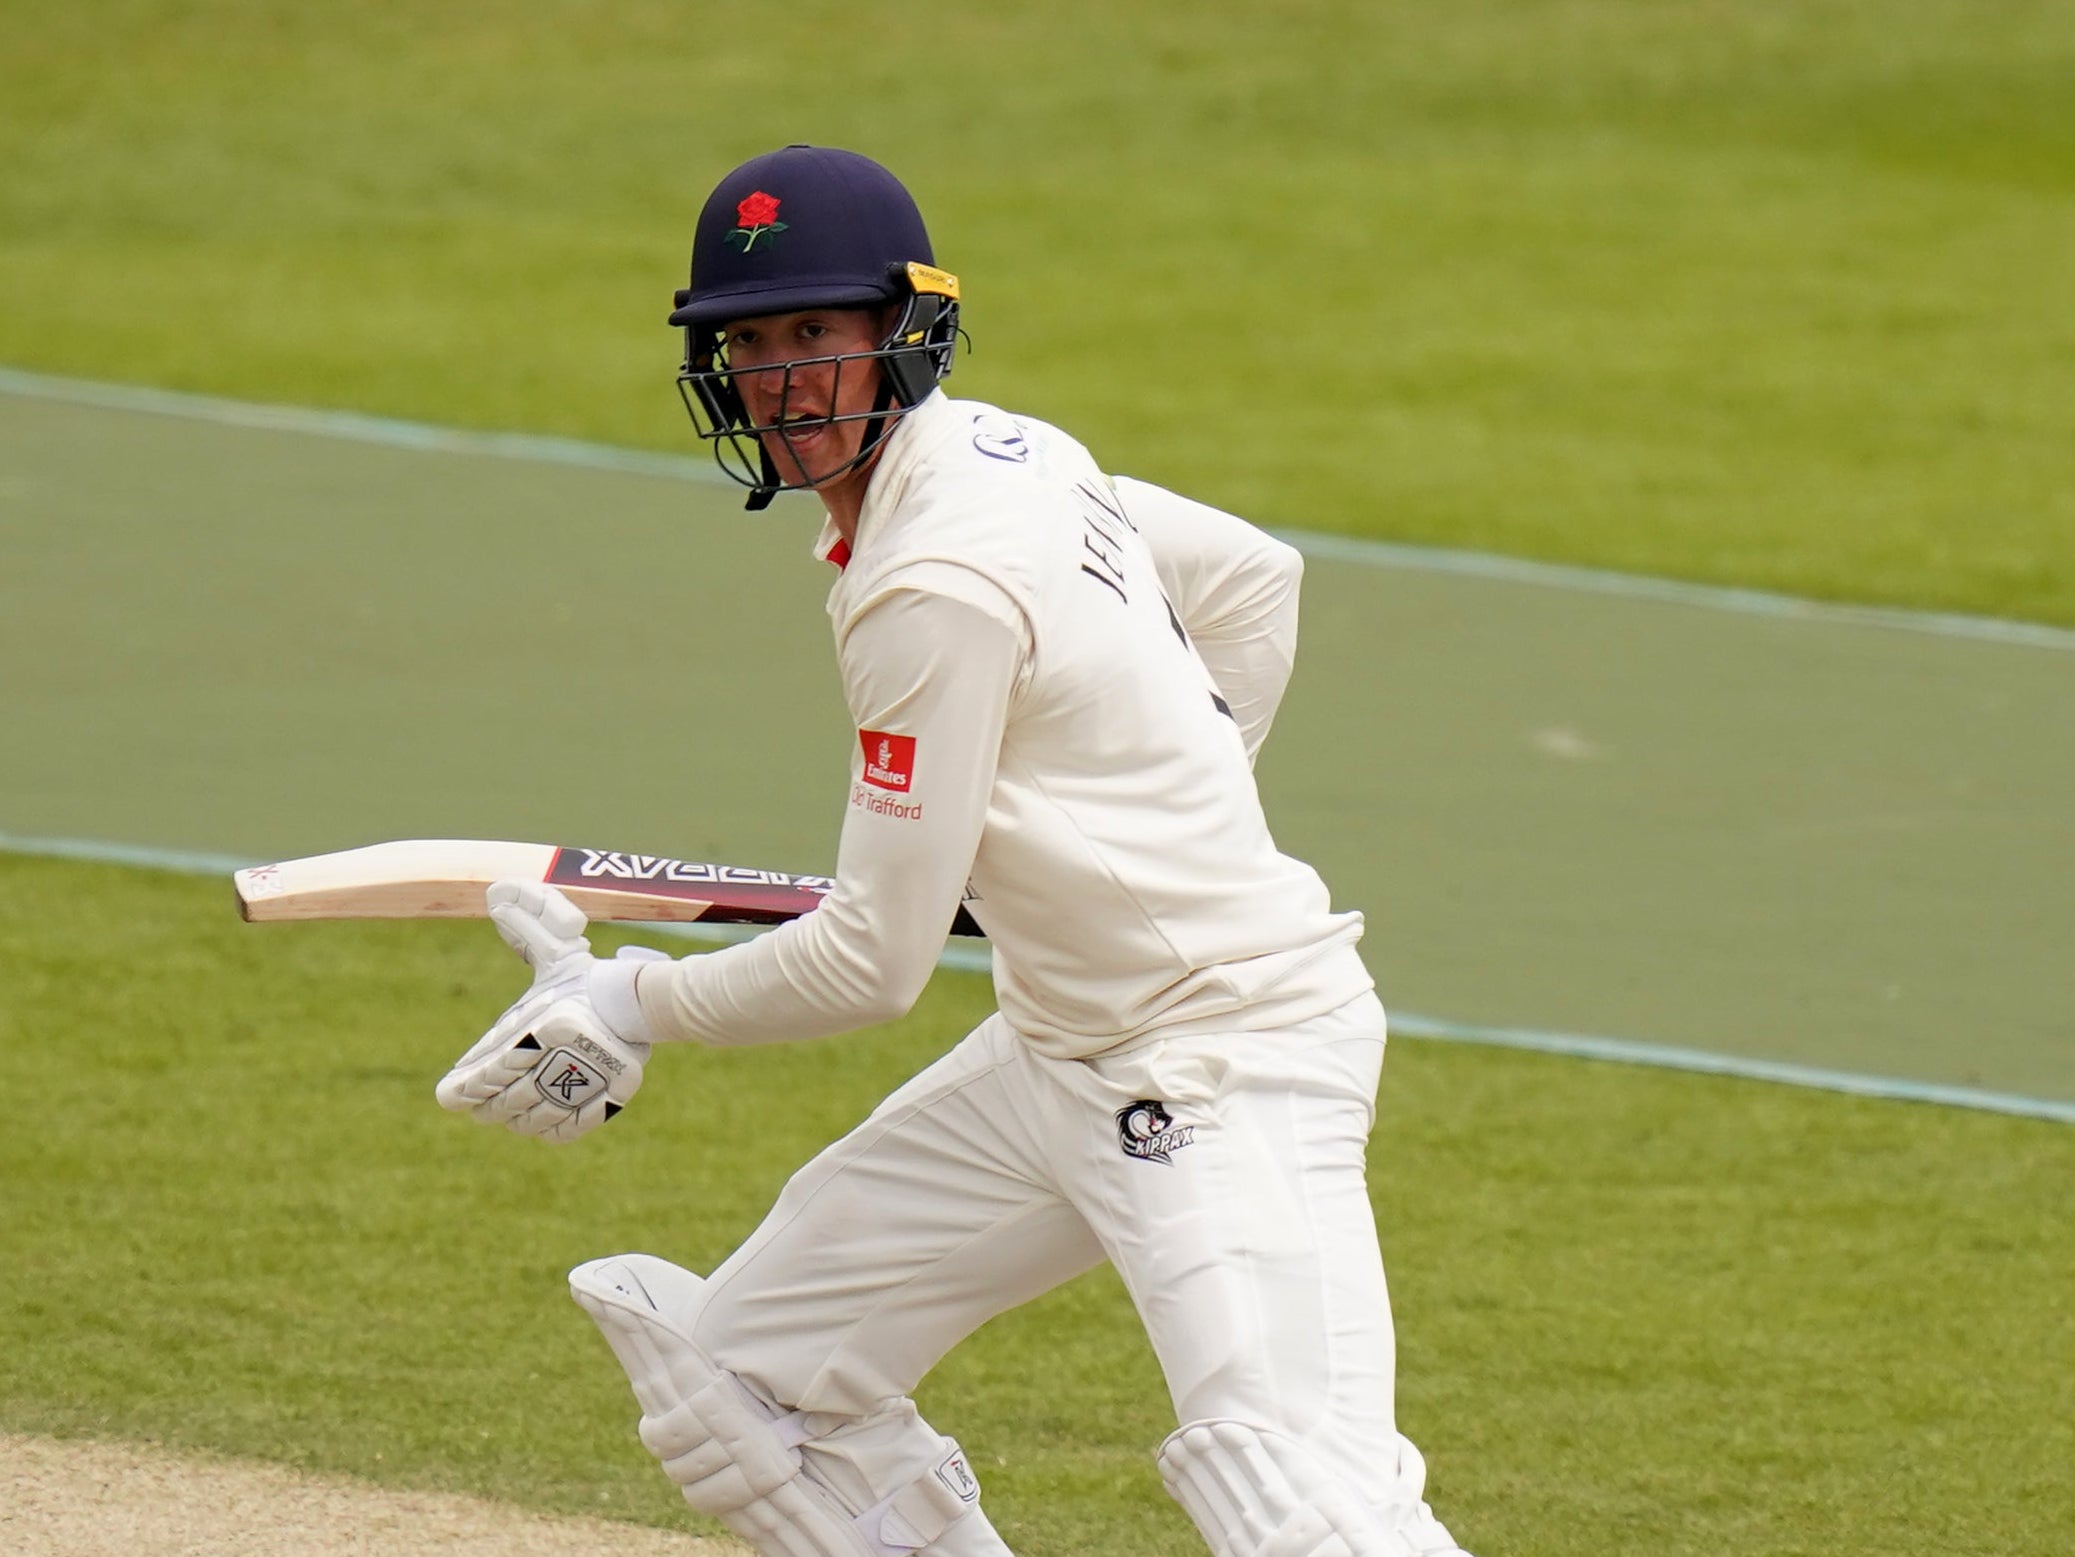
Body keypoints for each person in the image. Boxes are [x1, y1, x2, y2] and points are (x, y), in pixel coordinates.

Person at [435, 144, 1475, 1557]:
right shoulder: (1010, 450)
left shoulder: (933, 577)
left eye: (816, 334)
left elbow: (871, 961)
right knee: (751, 1387)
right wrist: (1131, 824)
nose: (781, 378)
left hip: (1221, 1060)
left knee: (1302, 1508)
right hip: (1056, 1050)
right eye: (747, 341)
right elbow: (1252, 581)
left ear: (901, 336)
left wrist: (628, 1002)